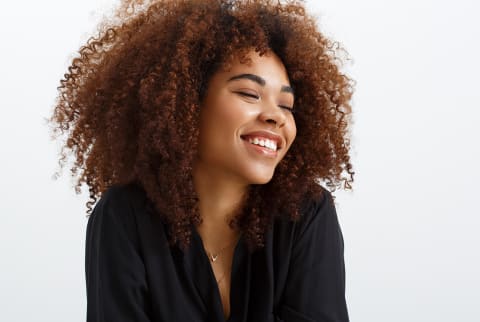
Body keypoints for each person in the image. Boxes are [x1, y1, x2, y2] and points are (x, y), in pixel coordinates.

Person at [50, 0, 354, 321]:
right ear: (187, 104)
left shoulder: (304, 213)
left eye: (287, 105)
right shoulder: (125, 217)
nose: (276, 117)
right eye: (250, 94)